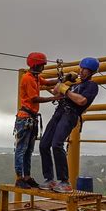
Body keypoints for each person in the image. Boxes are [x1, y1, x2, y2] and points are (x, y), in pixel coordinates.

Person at [38, 57, 100, 193]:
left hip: (70, 114)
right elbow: (55, 91)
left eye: (86, 70)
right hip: (59, 112)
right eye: (82, 68)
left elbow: (82, 101)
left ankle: (64, 181)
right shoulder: (74, 84)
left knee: (56, 144)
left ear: (91, 73)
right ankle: (49, 179)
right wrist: (64, 80)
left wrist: (66, 90)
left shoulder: (91, 86)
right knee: (43, 144)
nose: (82, 71)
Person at [13, 52, 64, 189]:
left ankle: (27, 177)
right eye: (42, 65)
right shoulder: (28, 78)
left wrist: (62, 80)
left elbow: (47, 82)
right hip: (25, 118)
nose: (43, 68)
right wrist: (54, 98)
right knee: (21, 149)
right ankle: (19, 178)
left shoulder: (35, 77)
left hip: (31, 118)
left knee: (28, 150)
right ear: (35, 64)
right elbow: (34, 98)